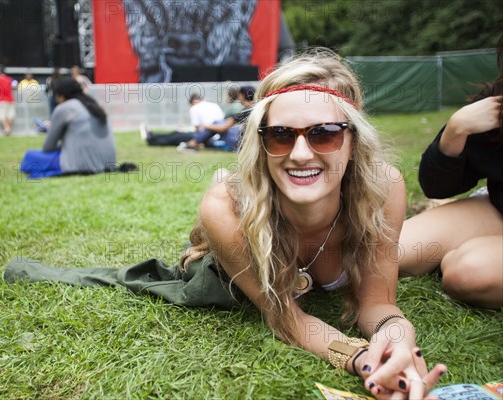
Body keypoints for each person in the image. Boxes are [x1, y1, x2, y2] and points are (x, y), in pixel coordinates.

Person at [183, 50, 446, 398]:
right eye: (281, 135)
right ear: (261, 144)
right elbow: (288, 319)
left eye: (324, 133)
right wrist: (363, 359)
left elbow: (377, 305)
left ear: (353, 141)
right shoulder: (225, 207)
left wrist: (397, 341)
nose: (301, 154)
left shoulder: (384, 189)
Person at [399, 44, 503, 309]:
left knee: (468, 273)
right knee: (388, 251)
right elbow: (436, 185)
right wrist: (455, 131)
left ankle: (470, 250)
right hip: (496, 209)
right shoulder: (495, 106)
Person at [20, 76, 116, 179]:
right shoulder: (93, 105)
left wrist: (52, 129)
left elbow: (48, 148)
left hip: (81, 165)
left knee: (30, 156)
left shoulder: (64, 108)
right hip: (107, 162)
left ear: (60, 95)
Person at [184, 85, 255, 151]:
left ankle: (192, 143)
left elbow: (222, 129)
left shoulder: (246, 111)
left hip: (242, 144)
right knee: (218, 123)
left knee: (217, 123)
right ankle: (194, 142)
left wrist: (206, 126)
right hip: (251, 142)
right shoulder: (256, 108)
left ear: (242, 95)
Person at [140, 93, 225, 147]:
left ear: (193, 102)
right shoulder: (214, 105)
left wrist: (186, 130)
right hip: (217, 136)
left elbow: (197, 129)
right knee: (177, 134)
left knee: (176, 136)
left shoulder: (194, 108)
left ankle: (151, 139)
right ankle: (152, 136)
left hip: (206, 137)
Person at [0, 65, 17, 136]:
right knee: (10, 115)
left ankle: (7, 129)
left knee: (2, 116)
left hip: (2, 100)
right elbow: (15, 85)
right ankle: (8, 129)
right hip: (10, 100)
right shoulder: (10, 79)